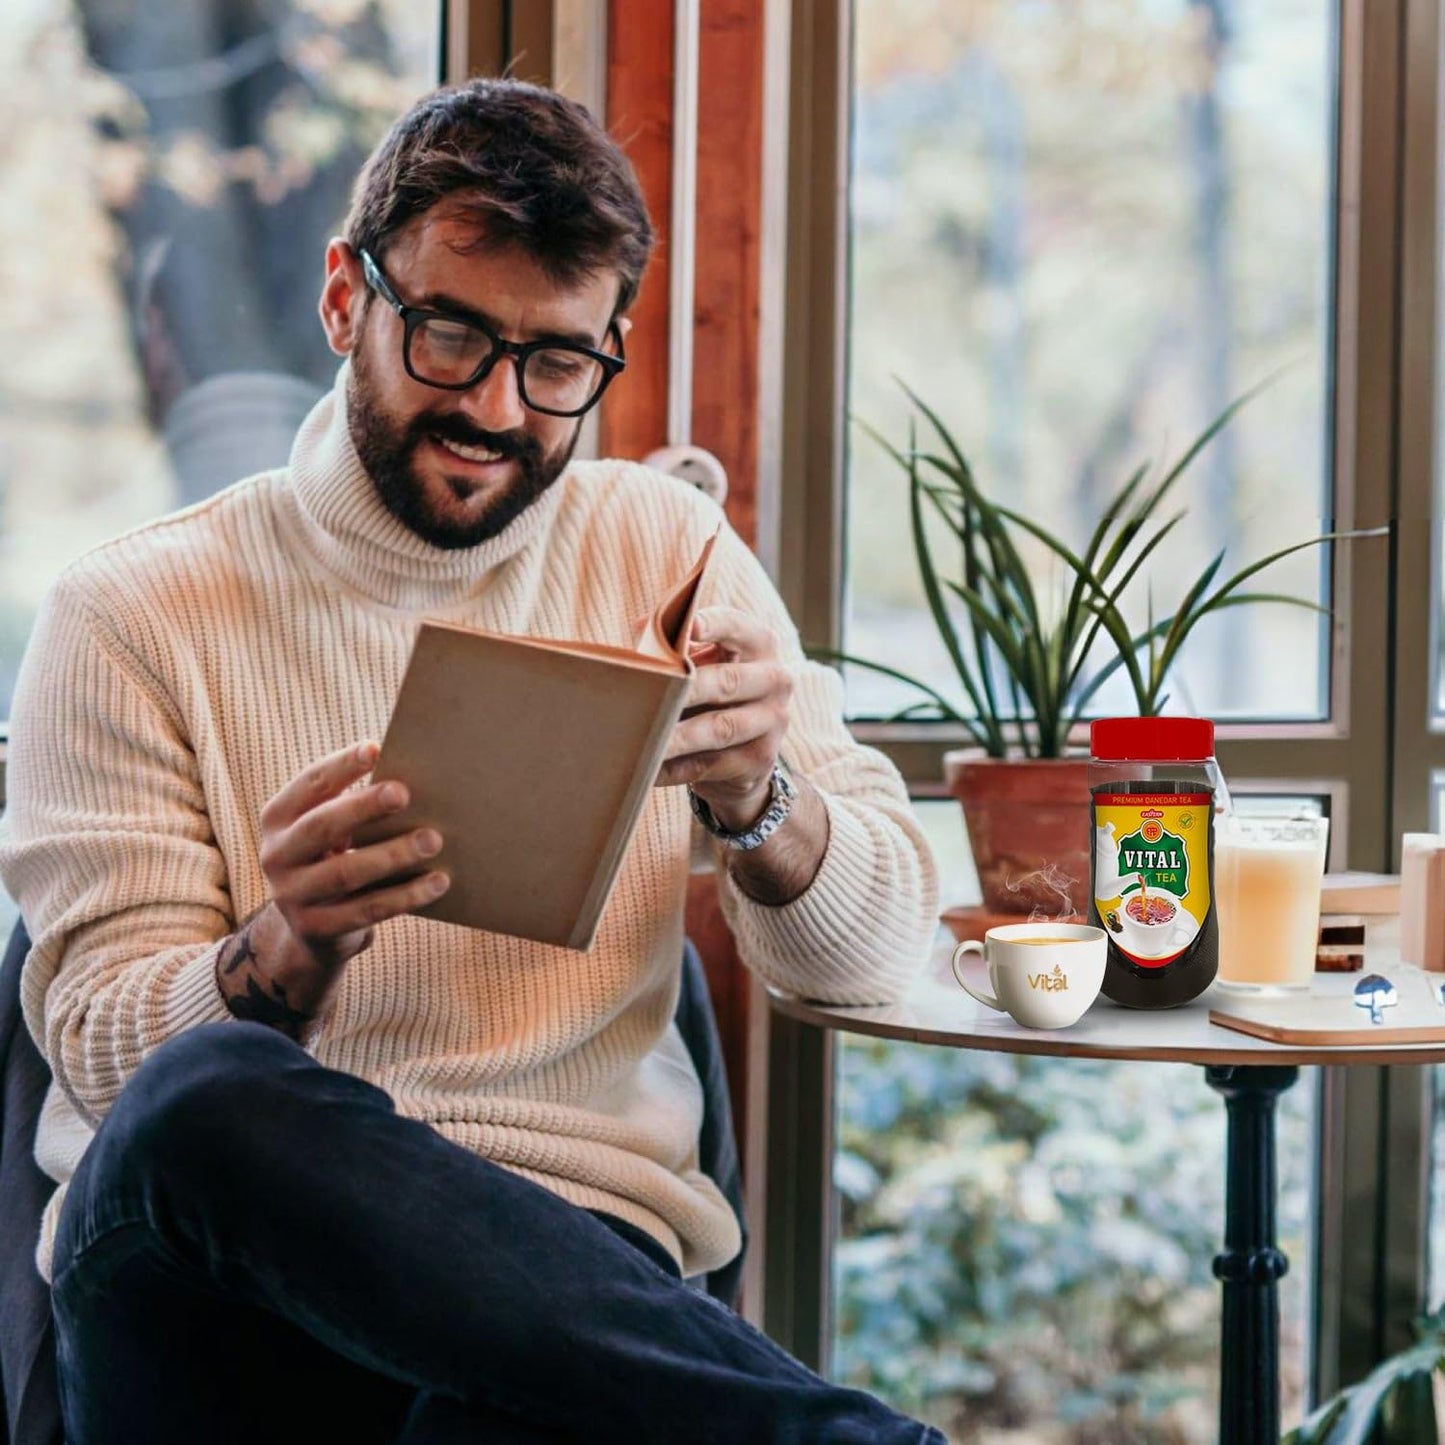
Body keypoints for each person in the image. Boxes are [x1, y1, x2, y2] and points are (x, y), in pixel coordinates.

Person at [0, 78, 941, 1444]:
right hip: (207, 1288)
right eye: (449, 334)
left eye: (557, 363)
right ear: (345, 300)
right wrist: (288, 945)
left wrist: (759, 799)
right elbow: (98, 1058)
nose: (497, 406)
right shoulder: (133, 608)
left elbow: (870, 961)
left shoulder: (663, 550)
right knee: (201, 1095)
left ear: (605, 350)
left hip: (562, 1261)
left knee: (488, 1411)